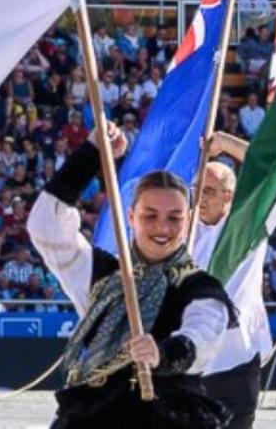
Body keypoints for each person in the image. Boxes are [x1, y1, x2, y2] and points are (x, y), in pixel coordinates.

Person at [28, 120, 238, 427]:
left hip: (169, 415)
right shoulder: (101, 275)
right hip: (96, 412)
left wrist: (162, 355)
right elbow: (46, 226)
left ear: (187, 220)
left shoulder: (199, 288)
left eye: (174, 217)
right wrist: (91, 154)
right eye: (150, 215)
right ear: (131, 217)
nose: (162, 228)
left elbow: (202, 337)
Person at [190, 133, 272, 429]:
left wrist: (224, 143)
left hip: (235, 361)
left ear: (229, 195)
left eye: (209, 191)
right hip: (190, 362)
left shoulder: (247, 223)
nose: (199, 198)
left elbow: (267, 169)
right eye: (196, 189)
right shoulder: (182, 229)